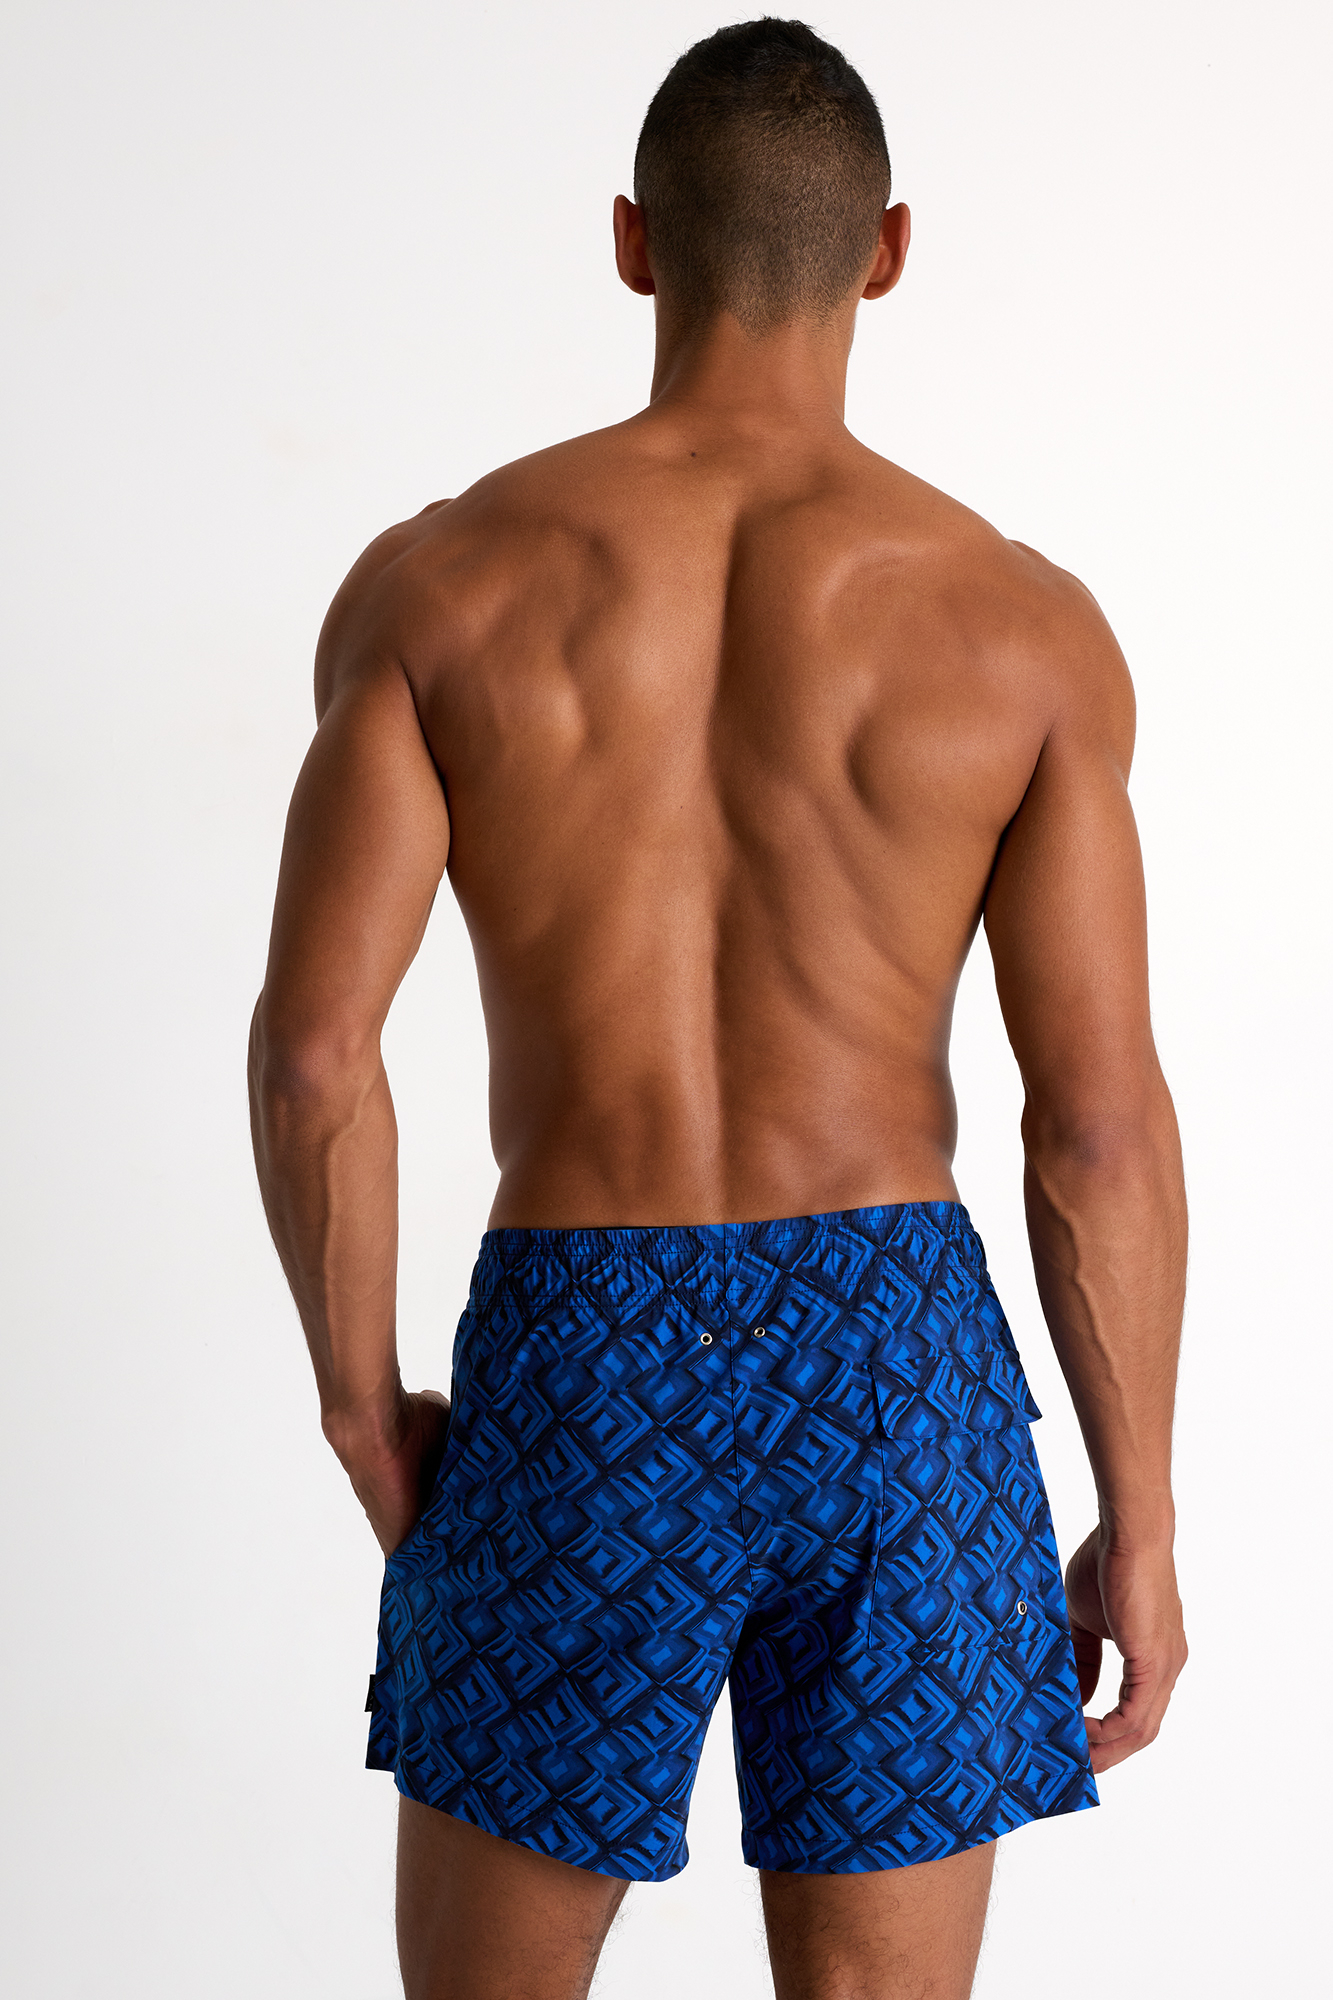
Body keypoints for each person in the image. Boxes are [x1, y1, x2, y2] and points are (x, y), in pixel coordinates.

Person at [248, 18, 1188, 1999]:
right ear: (887, 250)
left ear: (631, 242)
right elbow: (1093, 1127)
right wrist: (1141, 1516)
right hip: (897, 1360)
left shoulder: (441, 587)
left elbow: (320, 1055)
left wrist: (360, 1404)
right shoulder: (1018, 626)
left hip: (580, 1345)